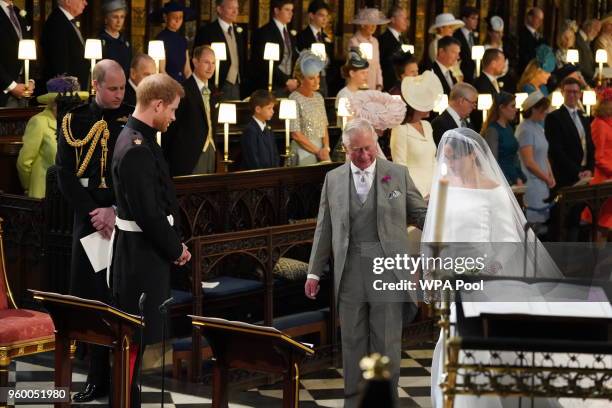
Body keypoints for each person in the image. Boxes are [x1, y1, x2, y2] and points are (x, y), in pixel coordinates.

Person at [424, 127, 562, 408]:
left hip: (485, 278)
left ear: (473, 155)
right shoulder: (444, 186)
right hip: (451, 275)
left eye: (454, 159)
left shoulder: (494, 191)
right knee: (452, 337)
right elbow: (435, 234)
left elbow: (509, 239)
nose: (448, 164)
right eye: (446, 158)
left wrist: (492, 266)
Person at [305, 118, 427, 408]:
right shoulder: (333, 179)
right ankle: (354, 402)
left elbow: (421, 214)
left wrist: (446, 226)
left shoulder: (396, 174)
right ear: (345, 149)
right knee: (352, 342)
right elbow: (324, 228)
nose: (364, 156)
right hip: (349, 270)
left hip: (387, 270)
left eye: (368, 148)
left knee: (386, 342)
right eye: (356, 150)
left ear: (376, 143)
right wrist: (313, 272)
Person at [110, 73, 190, 408]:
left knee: (148, 337)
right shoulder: (136, 148)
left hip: (145, 252)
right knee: (139, 338)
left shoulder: (140, 137)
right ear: (157, 104)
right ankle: (128, 401)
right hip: (141, 256)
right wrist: (175, 248)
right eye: (171, 109)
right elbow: (149, 213)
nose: (173, 116)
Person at [55, 59, 132, 403]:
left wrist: (114, 211)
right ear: (96, 85)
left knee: (115, 301)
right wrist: (93, 212)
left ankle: (119, 379)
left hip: (121, 222)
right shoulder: (73, 119)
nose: (119, 95)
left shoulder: (132, 119)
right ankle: (93, 377)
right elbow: (64, 174)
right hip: (87, 222)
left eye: (123, 88)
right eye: (112, 88)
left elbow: (132, 176)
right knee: (88, 301)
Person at [17, 76, 87, 198]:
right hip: (43, 194)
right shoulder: (39, 122)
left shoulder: (77, 123)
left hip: (71, 196)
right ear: (52, 103)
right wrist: (29, 187)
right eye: (63, 103)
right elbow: (24, 162)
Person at [546, 77, 595, 240]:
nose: (572, 95)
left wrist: (589, 168)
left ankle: (578, 259)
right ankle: (563, 260)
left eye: (575, 92)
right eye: (569, 92)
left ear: (580, 94)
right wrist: (577, 171)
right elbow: (556, 151)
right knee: (565, 222)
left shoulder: (583, 117)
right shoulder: (554, 117)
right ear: (562, 93)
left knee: (579, 219)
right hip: (566, 177)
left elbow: (589, 146)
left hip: (584, 176)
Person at [162, 45, 218, 176]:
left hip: (210, 151)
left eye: (213, 63)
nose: (211, 67)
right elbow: (171, 128)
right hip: (188, 156)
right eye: (206, 62)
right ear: (195, 62)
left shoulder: (214, 90)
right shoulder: (183, 90)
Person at [390, 70, 442, 198]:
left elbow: (433, 160)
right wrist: (416, 193)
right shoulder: (400, 129)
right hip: (414, 192)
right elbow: (400, 166)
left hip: (434, 189)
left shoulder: (427, 126)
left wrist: (437, 186)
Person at [193, 0, 247, 100]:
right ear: (219, 9)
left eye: (237, 8)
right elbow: (199, 58)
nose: (235, 12)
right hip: (216, 85)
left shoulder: (239, 31)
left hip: (237, 84)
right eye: (231, 8)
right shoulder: (207, 31)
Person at [516, 91, 555, 226]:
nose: (545, 113)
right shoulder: (525, 129)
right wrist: (546, 177)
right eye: (543, 110)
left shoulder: (538, 127)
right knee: (533, 227)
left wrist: (551, 175)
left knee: (541, 226)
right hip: (533, 184)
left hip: (542, 181)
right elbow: (529, 162)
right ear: (533, 109)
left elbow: (544, 155)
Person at [289, 51, 330, 166]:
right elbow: (296, 134)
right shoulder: (294, 98)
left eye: (318, 76)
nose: (317, 81)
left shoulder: (319, 97)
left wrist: (326, 148)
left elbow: (324, 127)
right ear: (301, 79)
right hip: (303, 151)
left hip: (322, 151)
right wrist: (317, 151)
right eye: (312, 78)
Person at [582, 88, 612, 239]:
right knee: (602, 222)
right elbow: (598, 156)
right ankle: (597, 260)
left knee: (607, 222)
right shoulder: (599, 124)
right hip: (603, 178)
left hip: (609, 177)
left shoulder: (608, 123)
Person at [250, 0, 297, 97]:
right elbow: (264, 62)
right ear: (276, 10)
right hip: (272, 84)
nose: (291, 13)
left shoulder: (290, 33)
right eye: (287, 10)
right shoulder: (265, 32)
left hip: (290, 85)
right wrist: (286, 80)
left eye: (292, 10)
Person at [41, 0, 89, 88]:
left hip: (74, 88)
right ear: (68, 1)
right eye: (82, 0)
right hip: (66, 92)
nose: (85, 3)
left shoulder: (66, 20)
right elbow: (60, 64)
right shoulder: (57, 23)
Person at [481, 91, 525, 186]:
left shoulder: (508, 127)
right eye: (512, 106)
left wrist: (518, 176)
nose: (516, 109)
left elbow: (513, 157)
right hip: (503, 180)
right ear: (501, 108)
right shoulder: (492, 130)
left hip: (513, 178)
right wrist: (509, 180)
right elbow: (493, 162)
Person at [0, 0, 35, 107]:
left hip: (24, 86)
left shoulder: (18, 12)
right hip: (4, 88)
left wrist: (30, 80)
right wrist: (11, 86)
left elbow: (29, 46)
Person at [296, 0, 332, 97]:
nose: (325, 19)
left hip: (323, 79)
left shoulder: (325, 37)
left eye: (326, 16)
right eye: (321, 15)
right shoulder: (302, 36)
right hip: (309, 79)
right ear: (311, 15)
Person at [348, 8, 389, 91]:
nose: (374, 26)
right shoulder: (354, 41)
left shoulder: (375, 41)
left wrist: (379, 84)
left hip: (373, 84)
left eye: (375, 23)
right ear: (363, 24)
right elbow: (356, 66)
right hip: (358, 85)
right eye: (371, 23)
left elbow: (377, 65)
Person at [155, 1, 194, 83]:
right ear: (165, 17)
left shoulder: (183, 40)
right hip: (167, 84)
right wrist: (174, 86)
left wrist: (193, 86)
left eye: (180, 17)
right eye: (174, 17)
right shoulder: (160, 39)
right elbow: (161, 70)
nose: (177, 20)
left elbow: (187, 70)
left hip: (183, 84)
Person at [241, 90, 279, 170]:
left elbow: (275, 154)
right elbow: (252, 158)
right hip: (258, 176)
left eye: (273, 108)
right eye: (269, 108)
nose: (273, 111)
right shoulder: (250, 130)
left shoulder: (269, 129)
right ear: (258, 109)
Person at [379, 4, 409, 91]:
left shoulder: (404, 40)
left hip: (403, 86)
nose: (406, 21)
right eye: (403, 18)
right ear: (393, 19)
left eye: (406, 18)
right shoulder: (383, 40)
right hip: (389, 86)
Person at [335, 48, 369, 127]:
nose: (366, 76)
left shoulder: (363, 93)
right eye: (363, 73)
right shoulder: (343, 96)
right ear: (352, 73)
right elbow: (347, 125)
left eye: (367, 73)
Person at [99, 0, 131, 78]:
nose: (119, 21)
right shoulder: (100, 41)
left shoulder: (125, 41)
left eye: (122, 17)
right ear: (106, 19)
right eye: (115, 17)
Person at [453, 6, 479, 85]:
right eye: (473, 18)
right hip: (463, 76)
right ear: (464, 19)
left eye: (477, 19)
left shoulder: (474, 36)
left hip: (474, 76)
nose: (476, 21)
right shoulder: (456, 36)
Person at [518, 7, 546, 74]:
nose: (540, 22)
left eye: (541, 19)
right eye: (538, 18)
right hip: (525, 71)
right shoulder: (521, 34)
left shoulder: (540, 37)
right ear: (530, 18)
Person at [576, 19, 602, 86]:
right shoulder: (576, 39)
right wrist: (594, 75)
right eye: (595, 30)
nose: (596, 34)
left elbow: (590, 62)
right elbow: (577, 64)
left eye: (598, 32)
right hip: (581, 82)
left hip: (589, 81)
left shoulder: (587, 40)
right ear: (588, 27)